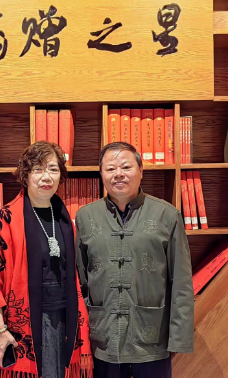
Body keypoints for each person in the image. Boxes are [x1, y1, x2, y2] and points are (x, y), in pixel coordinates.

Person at [0, 141, 92, 378]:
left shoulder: (65, 218)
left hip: (64, 317)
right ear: (25, 176)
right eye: (38, 169)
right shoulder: (6, 218)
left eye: (53, 169)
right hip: (26, 323)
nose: (47, 177)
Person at [75, 142, 194, 378]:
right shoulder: (85, 217)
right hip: (103, 337)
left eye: (126, 167)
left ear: (141, 171)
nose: (118, 174)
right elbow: (81, 280)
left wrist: (178, 338)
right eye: (110, 169)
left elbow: (181, 281)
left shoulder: (167, 215)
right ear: (101, 174)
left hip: (152, 337)